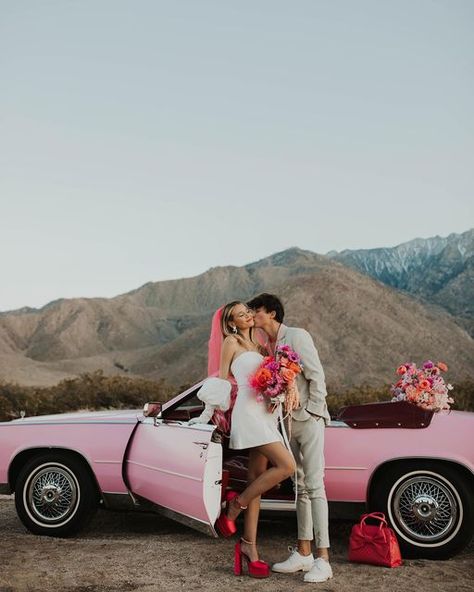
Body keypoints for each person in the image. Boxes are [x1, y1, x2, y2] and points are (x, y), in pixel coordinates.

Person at [247, 293, 333, 584]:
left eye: (256, 311)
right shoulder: (266, 348)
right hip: (286, 425)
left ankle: (323, 559)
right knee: (299, 487)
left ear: (271, 313)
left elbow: (316, 376)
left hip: (308, 420)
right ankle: (303, 552)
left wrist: (312, 411)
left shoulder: (297, 336)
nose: (253, 315)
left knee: (315, 484)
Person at [207, 301, 296, 578]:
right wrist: (212, 412)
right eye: (241, 314)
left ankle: (249, 547)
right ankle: (236, 504)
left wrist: (280, 391)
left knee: (256, 480)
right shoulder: (230, 343)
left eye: (248, 311)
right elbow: (222, 381)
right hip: (248, 410)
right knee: (287, 466)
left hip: (266, 411)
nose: (248, 316)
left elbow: (274, 377)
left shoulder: (260, 346)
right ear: (233, 322)